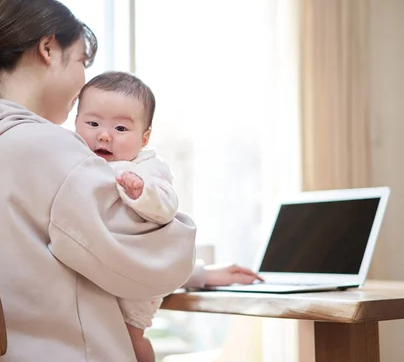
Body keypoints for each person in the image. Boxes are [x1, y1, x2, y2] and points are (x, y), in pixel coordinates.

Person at [0, 0, 197, 362]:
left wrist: (202, 273)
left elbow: (74, 246)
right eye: (80, 60)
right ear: (48, 49)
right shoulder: (43, 146)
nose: (83, 80)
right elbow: (148, 263)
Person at [75, 71, 263, 362]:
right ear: (76, 123)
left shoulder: (147, 168)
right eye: (92, 123)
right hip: (108, 271)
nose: (104, 134)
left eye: (121, 128)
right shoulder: (78, 160)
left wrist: (141, 192)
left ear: (144, 138)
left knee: (131, 337)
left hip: (140, 282)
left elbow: (166, 206)